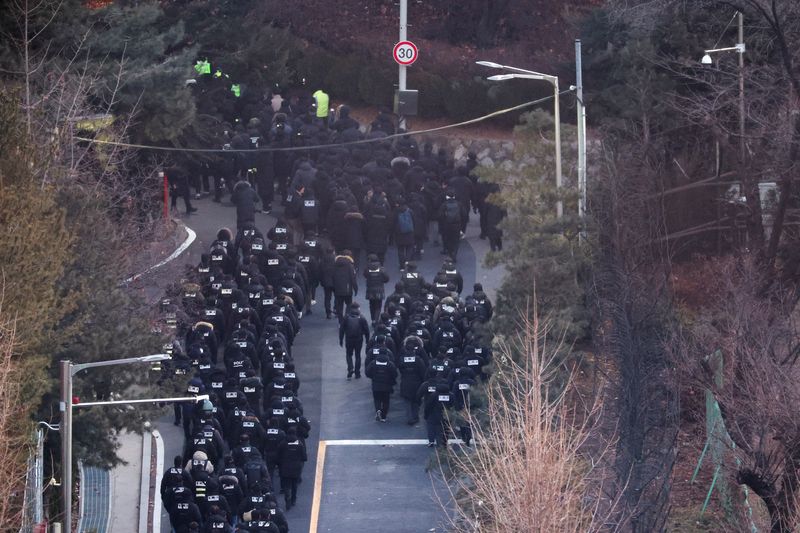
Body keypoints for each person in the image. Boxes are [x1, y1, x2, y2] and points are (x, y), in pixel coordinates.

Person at [338, 302, 370, 379]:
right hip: (358, 339)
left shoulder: (346, 317)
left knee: (349, 354)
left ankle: (350, 368)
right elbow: (366, 330)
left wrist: (341, 339)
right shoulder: (362, 318)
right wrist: (367, 339)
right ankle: (357, 373)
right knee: (358, 355)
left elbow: (341, 329)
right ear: (358, 308)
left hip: (349, 339)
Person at [278, 427, 307, 510]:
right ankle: (293, 499)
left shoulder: (283, 444)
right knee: (295, 485)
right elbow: (304, 457)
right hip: (296, 468)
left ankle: (287, 499)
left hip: (285, 467)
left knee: (287, 485)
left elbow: (278, 455)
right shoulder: (300, 444)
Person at [365, 352, 397, 422]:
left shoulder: (373, 363)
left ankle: (378, 409)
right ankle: (383, 417)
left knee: (377, 399)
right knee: (386, 401)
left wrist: (373, 377)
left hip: (376, 386)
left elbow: (367, 372)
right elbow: (395, 374)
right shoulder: (390, 364)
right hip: (387, 386)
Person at [437, 189, 465, 261]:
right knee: (456, 240)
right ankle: (454, 254)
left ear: (447, 196)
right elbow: (464, 214)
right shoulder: (459, 204)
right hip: (457, 224)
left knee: (448, 240)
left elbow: (440, 216)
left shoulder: (444, 204)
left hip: (447, 225)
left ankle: (450, 254)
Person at [392, 198, 417, 270]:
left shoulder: (396, 211)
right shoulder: (410, 211)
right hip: (409, 233)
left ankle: (402, 266)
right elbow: (414, 221)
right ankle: (407, 261)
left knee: (400, 249)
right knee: (409, 248)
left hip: (399, 233)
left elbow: (393, 222)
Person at [332, 249, 358, 320]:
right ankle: (346, 319)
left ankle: (340, 321)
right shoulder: (350, 265)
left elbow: (332, 275)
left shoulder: (335, 263)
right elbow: (353, 278)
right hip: (347, 288)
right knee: (349, 304)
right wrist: (355, 288)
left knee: (339, 305)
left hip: (337, 288)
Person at [363, 254, 389, 323]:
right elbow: (386, 278)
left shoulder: (367, 269)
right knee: (378, 306)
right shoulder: (381, 269)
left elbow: (365, 275)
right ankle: (376, 320)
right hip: (379, 289)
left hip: (370, 289)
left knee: (371, 305)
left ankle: (373, 319)